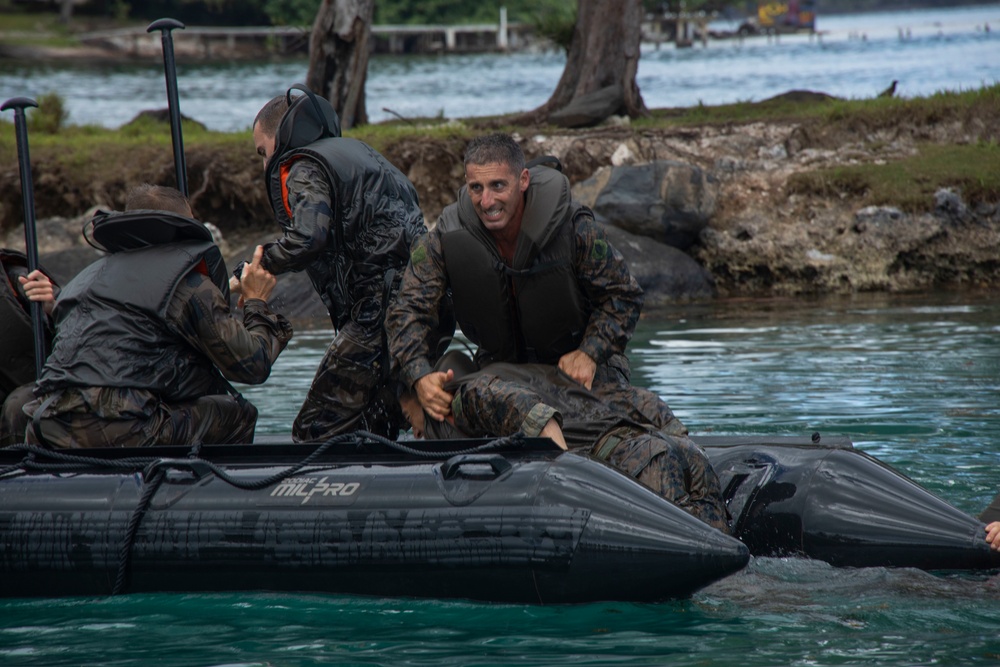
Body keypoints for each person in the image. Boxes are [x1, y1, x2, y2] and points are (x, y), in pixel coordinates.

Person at [386, 132, 645, 427]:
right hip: (502, 378)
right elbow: (407, 311)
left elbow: (623, 296)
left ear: (523, 181)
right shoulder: (443, 241)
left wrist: (590, 352)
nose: (486, 201)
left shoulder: (575, 230)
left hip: (581, 372)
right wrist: (419, 375)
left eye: (498, 186)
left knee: (611, 432)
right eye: (476, 188)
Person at [20, 184, 292, 448]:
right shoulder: (190, 285)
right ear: (185, 228)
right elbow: (252, 366)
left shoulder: (84, 280)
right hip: (125, 428)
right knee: (238, 414)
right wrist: (256, 302)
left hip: (48, 423)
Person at [244, 84, 429, 442]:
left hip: (378, 313)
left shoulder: (301, 165)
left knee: (315, 428)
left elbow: (309, 238)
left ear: (283, 138)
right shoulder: (362, 155)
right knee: (377, 422)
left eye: (263, 152)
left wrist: (255, 268)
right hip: (418, 308)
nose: (266, 164)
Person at [398, 351, 729, 532]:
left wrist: (566, 472)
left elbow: (525, 409)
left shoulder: (464, 394)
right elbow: (640, 399)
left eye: (410, 417)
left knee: (694, 581)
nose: (414, 432)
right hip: (679, 451)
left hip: (636, 463)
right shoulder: (541, 372)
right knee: (725, 572)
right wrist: (677, 441)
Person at [0, 251, 57, 446]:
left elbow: (74, 323)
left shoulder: (17, 279)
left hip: (40, 387)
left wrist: (52, 306)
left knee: (19, 405)